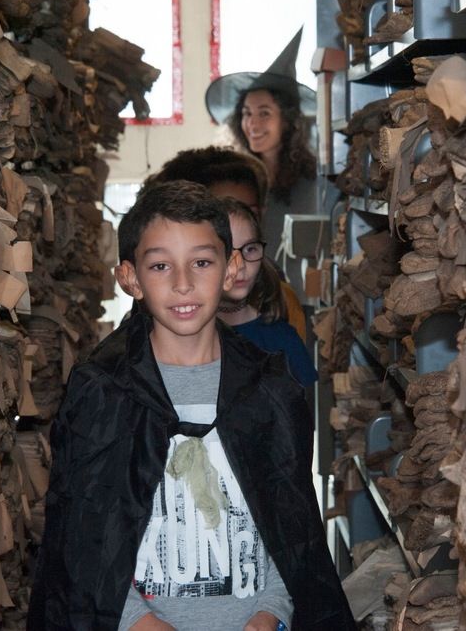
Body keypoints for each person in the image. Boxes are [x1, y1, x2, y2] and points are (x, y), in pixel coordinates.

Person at [26, 181, 355, 631]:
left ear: (231, 268)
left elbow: (293, 525)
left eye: (201, 262)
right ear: (130, 278)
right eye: (160, 266)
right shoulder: (103, 391)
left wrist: (272, 609)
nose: (183, 284)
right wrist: (138, 621)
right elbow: (82, 539)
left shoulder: (269, 386)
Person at [144, 145, 307, 341]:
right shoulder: (155, 314)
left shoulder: (280, 305)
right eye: (221, 214)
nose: (236, 223)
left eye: (248, 212)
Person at [205, 28, 321, 305]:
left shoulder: (313, 182)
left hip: (299, 302)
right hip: (242, 302)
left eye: (264, 113)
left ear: (289, 119)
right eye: (246, 113)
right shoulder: (236, 179)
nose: (253, 124)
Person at [217, 197, 317, 388]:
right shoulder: (188, 339)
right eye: (226, 251)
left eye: (250, 249)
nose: (240, 266)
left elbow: (302, 413)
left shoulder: (283, 339)